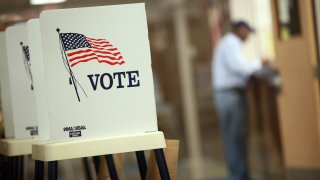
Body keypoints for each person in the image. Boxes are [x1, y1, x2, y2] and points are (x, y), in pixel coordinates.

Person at [212, 20, 272, 180]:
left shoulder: (227, 43)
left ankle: (237, 175)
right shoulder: (231, 43)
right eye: (247, 32)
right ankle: (238, 176)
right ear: (239, 30)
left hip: (226, 95)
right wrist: (260, 62)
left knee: (232, 138)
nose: (248, 36)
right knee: (236, 138)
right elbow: (240, 67)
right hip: (231, 96)